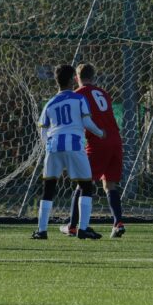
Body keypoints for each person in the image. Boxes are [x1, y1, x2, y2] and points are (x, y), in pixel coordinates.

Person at [31, 64, 105, 240]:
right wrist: (101, 133)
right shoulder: (79, 99)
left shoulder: (49, 103)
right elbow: (87, 124)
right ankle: (83, 228)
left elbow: (42, 130)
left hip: (54, 147)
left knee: (48, 188)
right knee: (86, 186)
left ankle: (41, 231)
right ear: (73, 79)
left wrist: (47, 145)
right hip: (74, 145)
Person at [60, 63, 126, 238]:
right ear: (94, 76)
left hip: (99, 141)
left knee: (83, 182)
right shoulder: (103, 93)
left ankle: (72, 226)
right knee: (109, 184)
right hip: (116, 140)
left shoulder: (77, 95)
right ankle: (118, 223)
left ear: (76, 78)